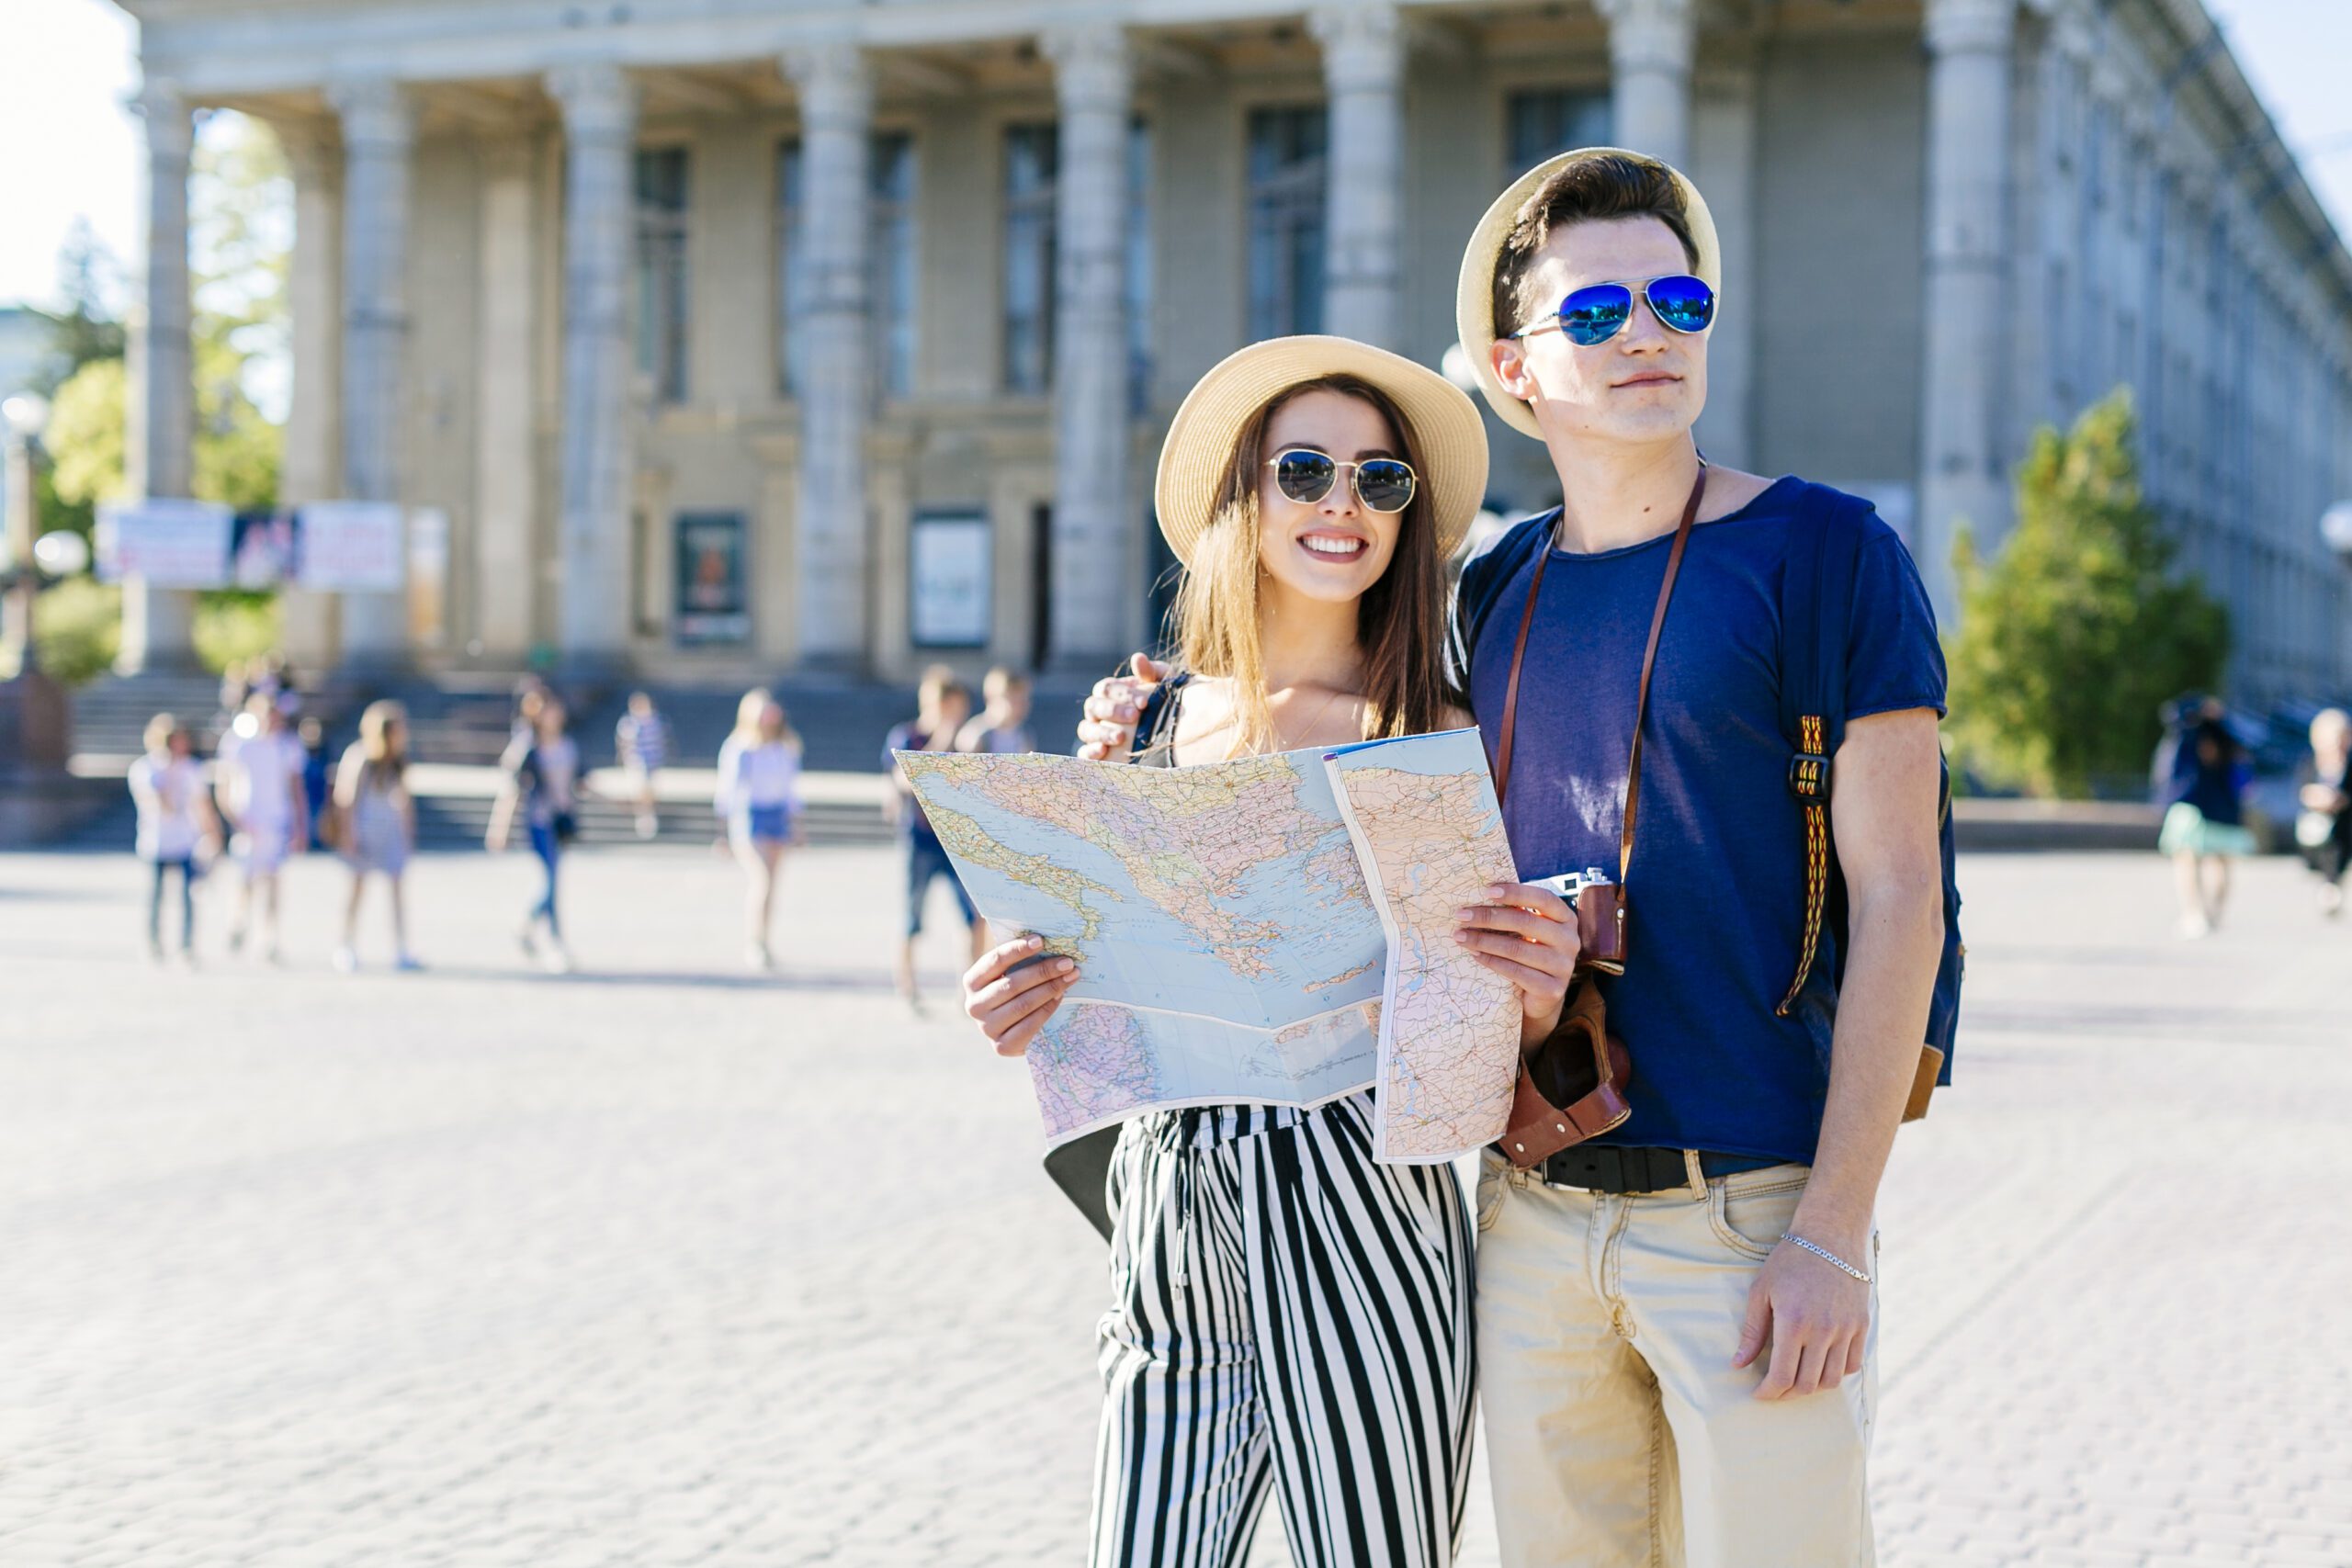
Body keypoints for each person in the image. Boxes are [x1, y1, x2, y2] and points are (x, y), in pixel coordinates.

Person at [1080, 152, 1950, 1568]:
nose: (1648, 332)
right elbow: (1305, 733)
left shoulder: (1830, 550)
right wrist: (1150, 716)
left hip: (1750, 1208)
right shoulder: (1490, 591)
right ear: (1513, 365)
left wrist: (1834, 1232)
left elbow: (1908, 896)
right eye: (1594, 312)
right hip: (1528, 1213)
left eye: (1677, 297)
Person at [967, 336, 1581, 1568]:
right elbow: (1086, 976)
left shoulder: (1445, 725)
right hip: (1168, 1210)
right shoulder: (1137, 718)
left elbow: (1486, 1024)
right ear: (1241, 496)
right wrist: (1015, 985)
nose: (1341, 503)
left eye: (1379, 479)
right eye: (1303, 469)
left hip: (1369, 1212)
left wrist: (1538, 988)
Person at [885, 667, 984, 1009]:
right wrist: (942, 738)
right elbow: (904, 781)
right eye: (952, 708)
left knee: (973, 918)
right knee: (911, 917)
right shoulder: (906, 737)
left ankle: (967, 988)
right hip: (919, 838)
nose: (958, 716)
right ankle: (908, 986)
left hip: (955, 841)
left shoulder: (966, 741)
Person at [487, 692, 583, 973]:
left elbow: (579, 780)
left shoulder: (568, 745)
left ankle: (527, 927)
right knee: (550, 881)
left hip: (560, 821)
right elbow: (511, 788)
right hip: (539, 821)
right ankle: (554, 942)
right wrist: (500, 826)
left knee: (553, 880)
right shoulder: (529, 748)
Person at [215, 691, 311, 962]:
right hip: (248, 818)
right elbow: (224, 785)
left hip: (276, 819)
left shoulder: (287, 746)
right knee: (245, 879)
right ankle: (237, 921)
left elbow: (296, 787)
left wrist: (300, 825)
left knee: (272, 880)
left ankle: (268, 936)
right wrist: (235, 817)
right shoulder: (238, 744)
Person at [714, 688, 805, 969]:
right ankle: (755, 942)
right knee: (761, 879)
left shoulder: (786, 747)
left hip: (776, 814)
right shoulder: (739, 748)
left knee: (772, 885)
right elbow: (727, 790)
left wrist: (797, 824)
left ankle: (764, 939)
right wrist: (722, 831)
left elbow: (791, 789)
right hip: (749, 815)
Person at [332, 700, 421, 973]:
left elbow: (404, 800)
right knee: (357, 891)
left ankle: (401, 948)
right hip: (364, 829)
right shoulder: (361, 757)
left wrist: (408, 834)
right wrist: (348, 834)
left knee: (396, 890)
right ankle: (346, 946)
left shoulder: (397, 761)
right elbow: (345, 798)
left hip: (389, 830)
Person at [2157, 697, 2253, 937]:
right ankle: (2206, 914)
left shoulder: (2192, 732)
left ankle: (2199, 913)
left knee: (2192, 860)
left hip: (2197, 804)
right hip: (2215, 807)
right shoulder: (2222, 734)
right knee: (2205, 860)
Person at [127, 714, 219, 964]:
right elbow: (158, 803)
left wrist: (212, 835)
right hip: (156, 841)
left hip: (186, 840)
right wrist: (167, 776)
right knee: (156, 897)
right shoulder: (146, 769)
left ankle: (186, 946)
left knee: (188, 896)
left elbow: (203, 805)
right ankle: (154, 944)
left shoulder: (191, 769)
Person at [2294, 707, 2350, 917]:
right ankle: (2328, 885)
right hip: (2316, 822)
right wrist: (2315, 797)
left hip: (2344, 821)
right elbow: (2301, 789)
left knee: (2339, 847)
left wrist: (2341, 800)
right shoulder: (2310, 762)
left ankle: (2332, 885)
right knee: (2322, 849)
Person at [616, 691, 671, 840]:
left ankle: (649, 814)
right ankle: (644, 815)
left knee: (650, 789)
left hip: (653, 761)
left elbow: (662, 741)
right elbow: (624, 743)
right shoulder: (629, 723)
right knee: (640, 789)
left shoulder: (656, 721)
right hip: (637, 762)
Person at [954, 667, 1035, 755]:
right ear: (991, 698)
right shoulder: (975, 733)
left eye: (1023, 699)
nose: (1020, 705)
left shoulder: (1024, 736)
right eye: (1013, 700)